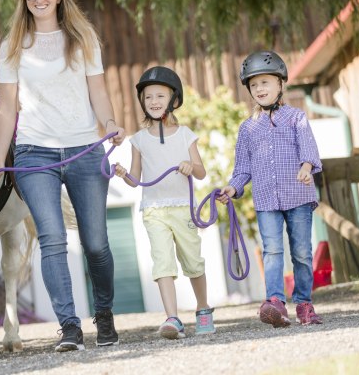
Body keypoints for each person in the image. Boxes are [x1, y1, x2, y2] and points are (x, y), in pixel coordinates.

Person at [0, 0, 125, 352]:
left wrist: (109, 122)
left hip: (84, 149)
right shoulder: (13, 45)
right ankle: (69, 327)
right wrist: (0, 159)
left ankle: (105, 314)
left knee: (96, 244)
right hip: (34, 153)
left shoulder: (82, 39)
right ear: (24, 0)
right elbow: (8, 108)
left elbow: (97, 90)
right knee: (51, 238)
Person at [218, 50, 324, 327]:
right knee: (272, 249)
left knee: (301, 251)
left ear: (280, 84)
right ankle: (275, 303)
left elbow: (309, 150)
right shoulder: (247, 129)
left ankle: (304, 304)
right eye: (254, 85)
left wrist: (306, 166)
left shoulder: (296, 117)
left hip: (299, 196)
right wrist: (233, 187)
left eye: (265, 82)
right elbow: (242, 168)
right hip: (266, 200)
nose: (259, 89)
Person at [114, 66, 215, 339]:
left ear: (173, 99)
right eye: (148, 97)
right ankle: (172, 317)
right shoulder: (139, 140)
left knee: (193, 260)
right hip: (154, 210)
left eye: (160, 96)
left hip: (183, 207)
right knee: (162, 263)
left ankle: (203, 308)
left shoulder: (185, 134)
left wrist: (189, 165)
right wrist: (124, 175)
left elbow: (201, 171)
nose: (154, 102)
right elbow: (136, 179)